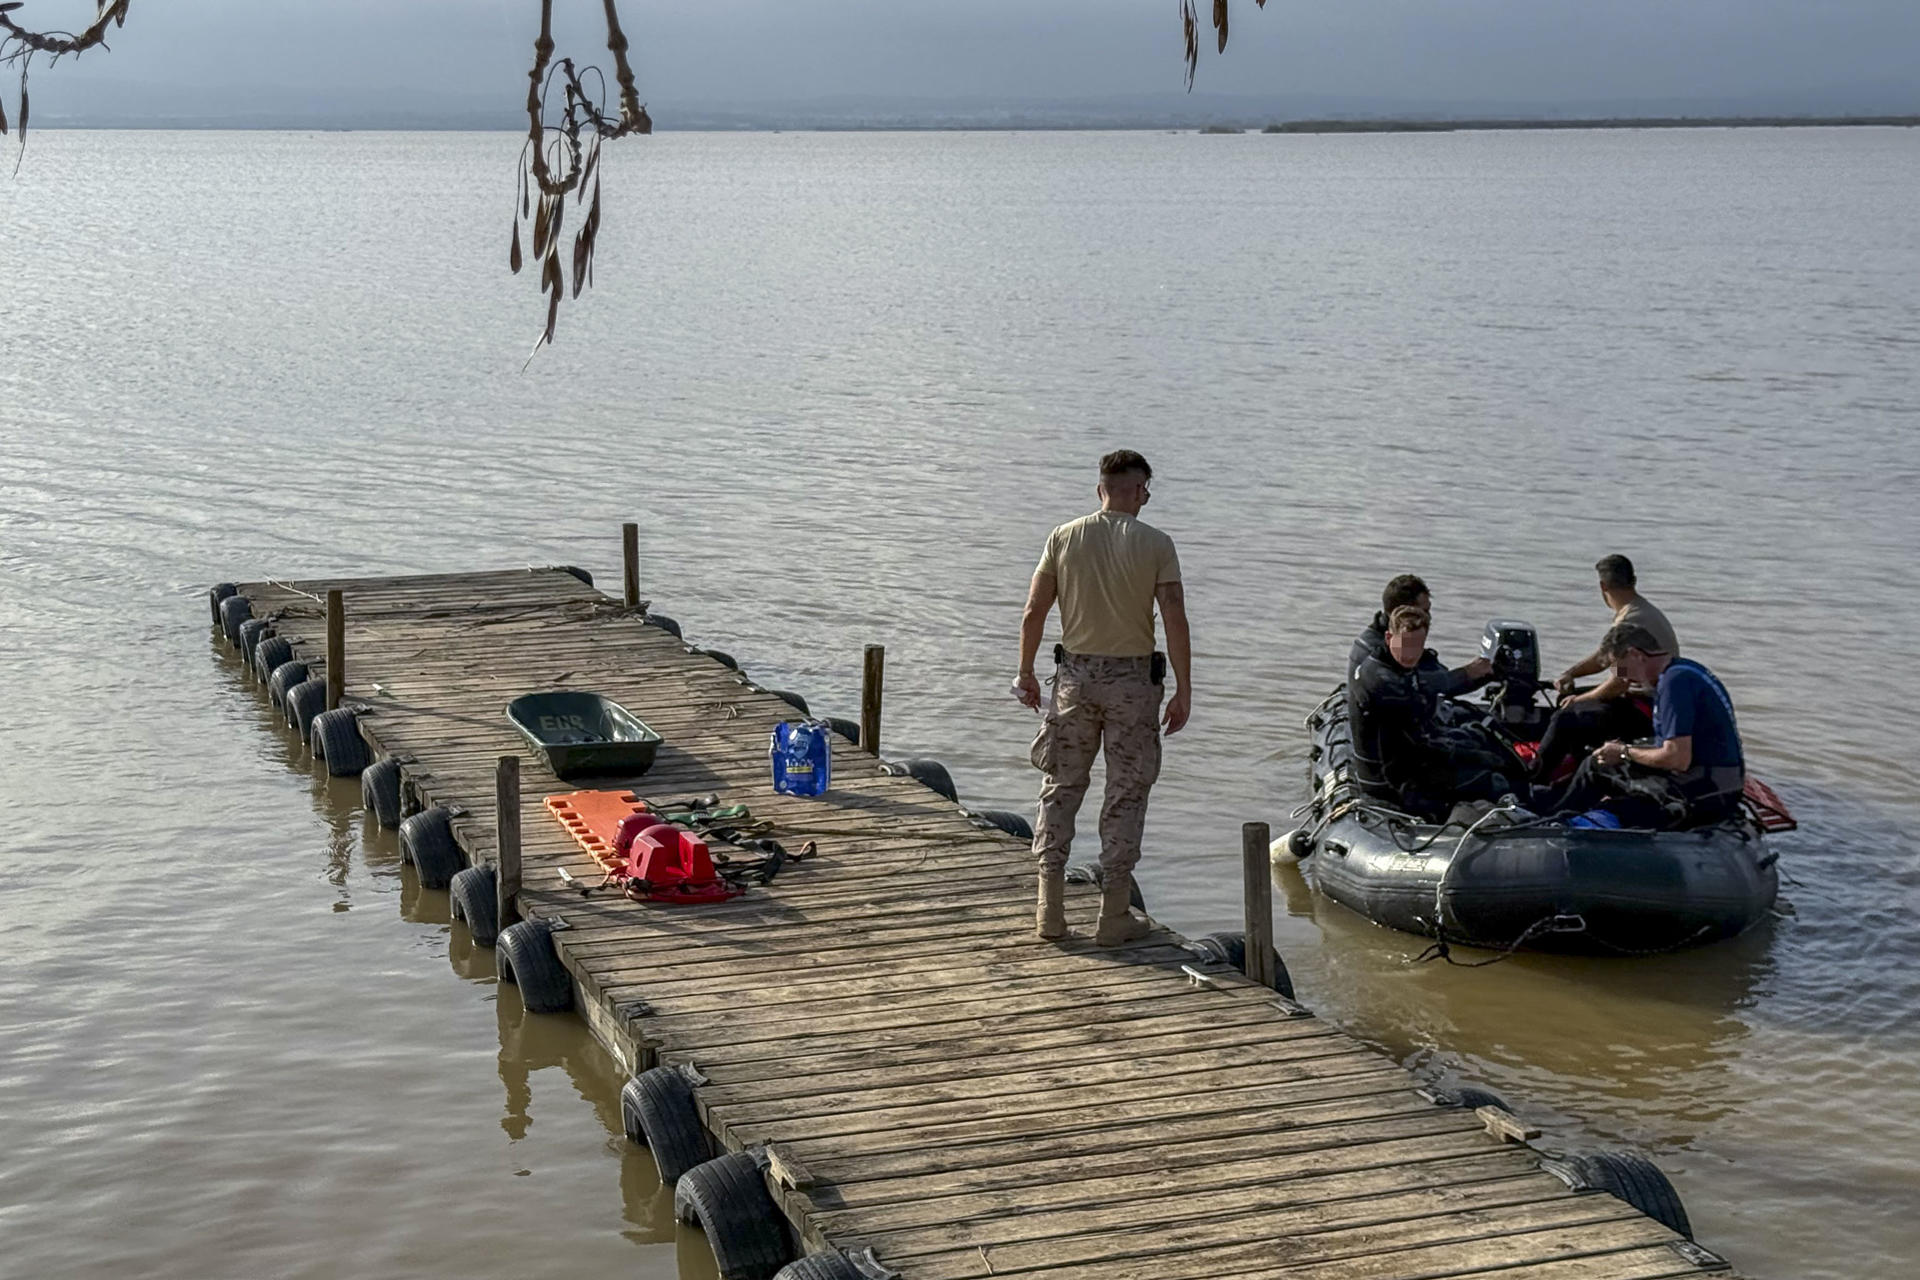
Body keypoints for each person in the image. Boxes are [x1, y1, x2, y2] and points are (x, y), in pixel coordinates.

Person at [1016, 450, 1191, 945]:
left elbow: (1033, 611)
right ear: (1138, 492)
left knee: (1061, 786)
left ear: (1100, 490)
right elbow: (1174, 617)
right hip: (1133, 683)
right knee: (1126, 791)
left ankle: (1049, 910)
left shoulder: (1064, 537)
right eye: (1146, 492)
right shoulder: (1156, 543)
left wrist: (1026, 672)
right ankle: (1112, 914)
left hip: (1073, 677)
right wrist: (1183, 688)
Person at [1534, 622, 1744, 829]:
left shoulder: (1673, 684)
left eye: (1620, 667)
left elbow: (1678, 758)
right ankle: (1552, 804)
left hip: (1703, 792)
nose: (1621, 676)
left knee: (1596, 766)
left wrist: (1625, 752)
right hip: (1719, 783)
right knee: (1606, 758)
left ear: (1635, 654)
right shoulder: (1685, 669)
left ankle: (1545, 819)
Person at [1346, 605, 1520, 819]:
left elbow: (1440, 686)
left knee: (1479, 742)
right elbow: (1419, 735)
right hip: (1390, 782)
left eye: (1417, 646)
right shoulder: (1379, 678)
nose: (1410, 654)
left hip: (1407, 765)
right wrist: (1474, 756)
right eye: (1405, 644)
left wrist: (1490, 674)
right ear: (1389, 637)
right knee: (1493, 779)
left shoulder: (1396, 666)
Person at [1531, 555, 1683, 779]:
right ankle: (1579, 764)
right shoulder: (1639, 610)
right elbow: (1605, 657)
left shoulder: (1631, 622)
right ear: (1634, 580)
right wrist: (1571, 674)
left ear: (1602, 586)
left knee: (1565, 716)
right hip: (1645, 697)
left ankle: (1535, 777)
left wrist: (1578, 701)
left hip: (1649, 708)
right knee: (1570, 697)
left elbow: (1618, 683)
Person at [1349, 573, 1491, 699]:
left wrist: (1487, 673)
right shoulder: (1376, 652)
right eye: (1424, 611)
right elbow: (1421, 685)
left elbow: (1439, 678)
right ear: (1403, 612)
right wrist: (1466, 673)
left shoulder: (1404, 641)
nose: (1428, 617)